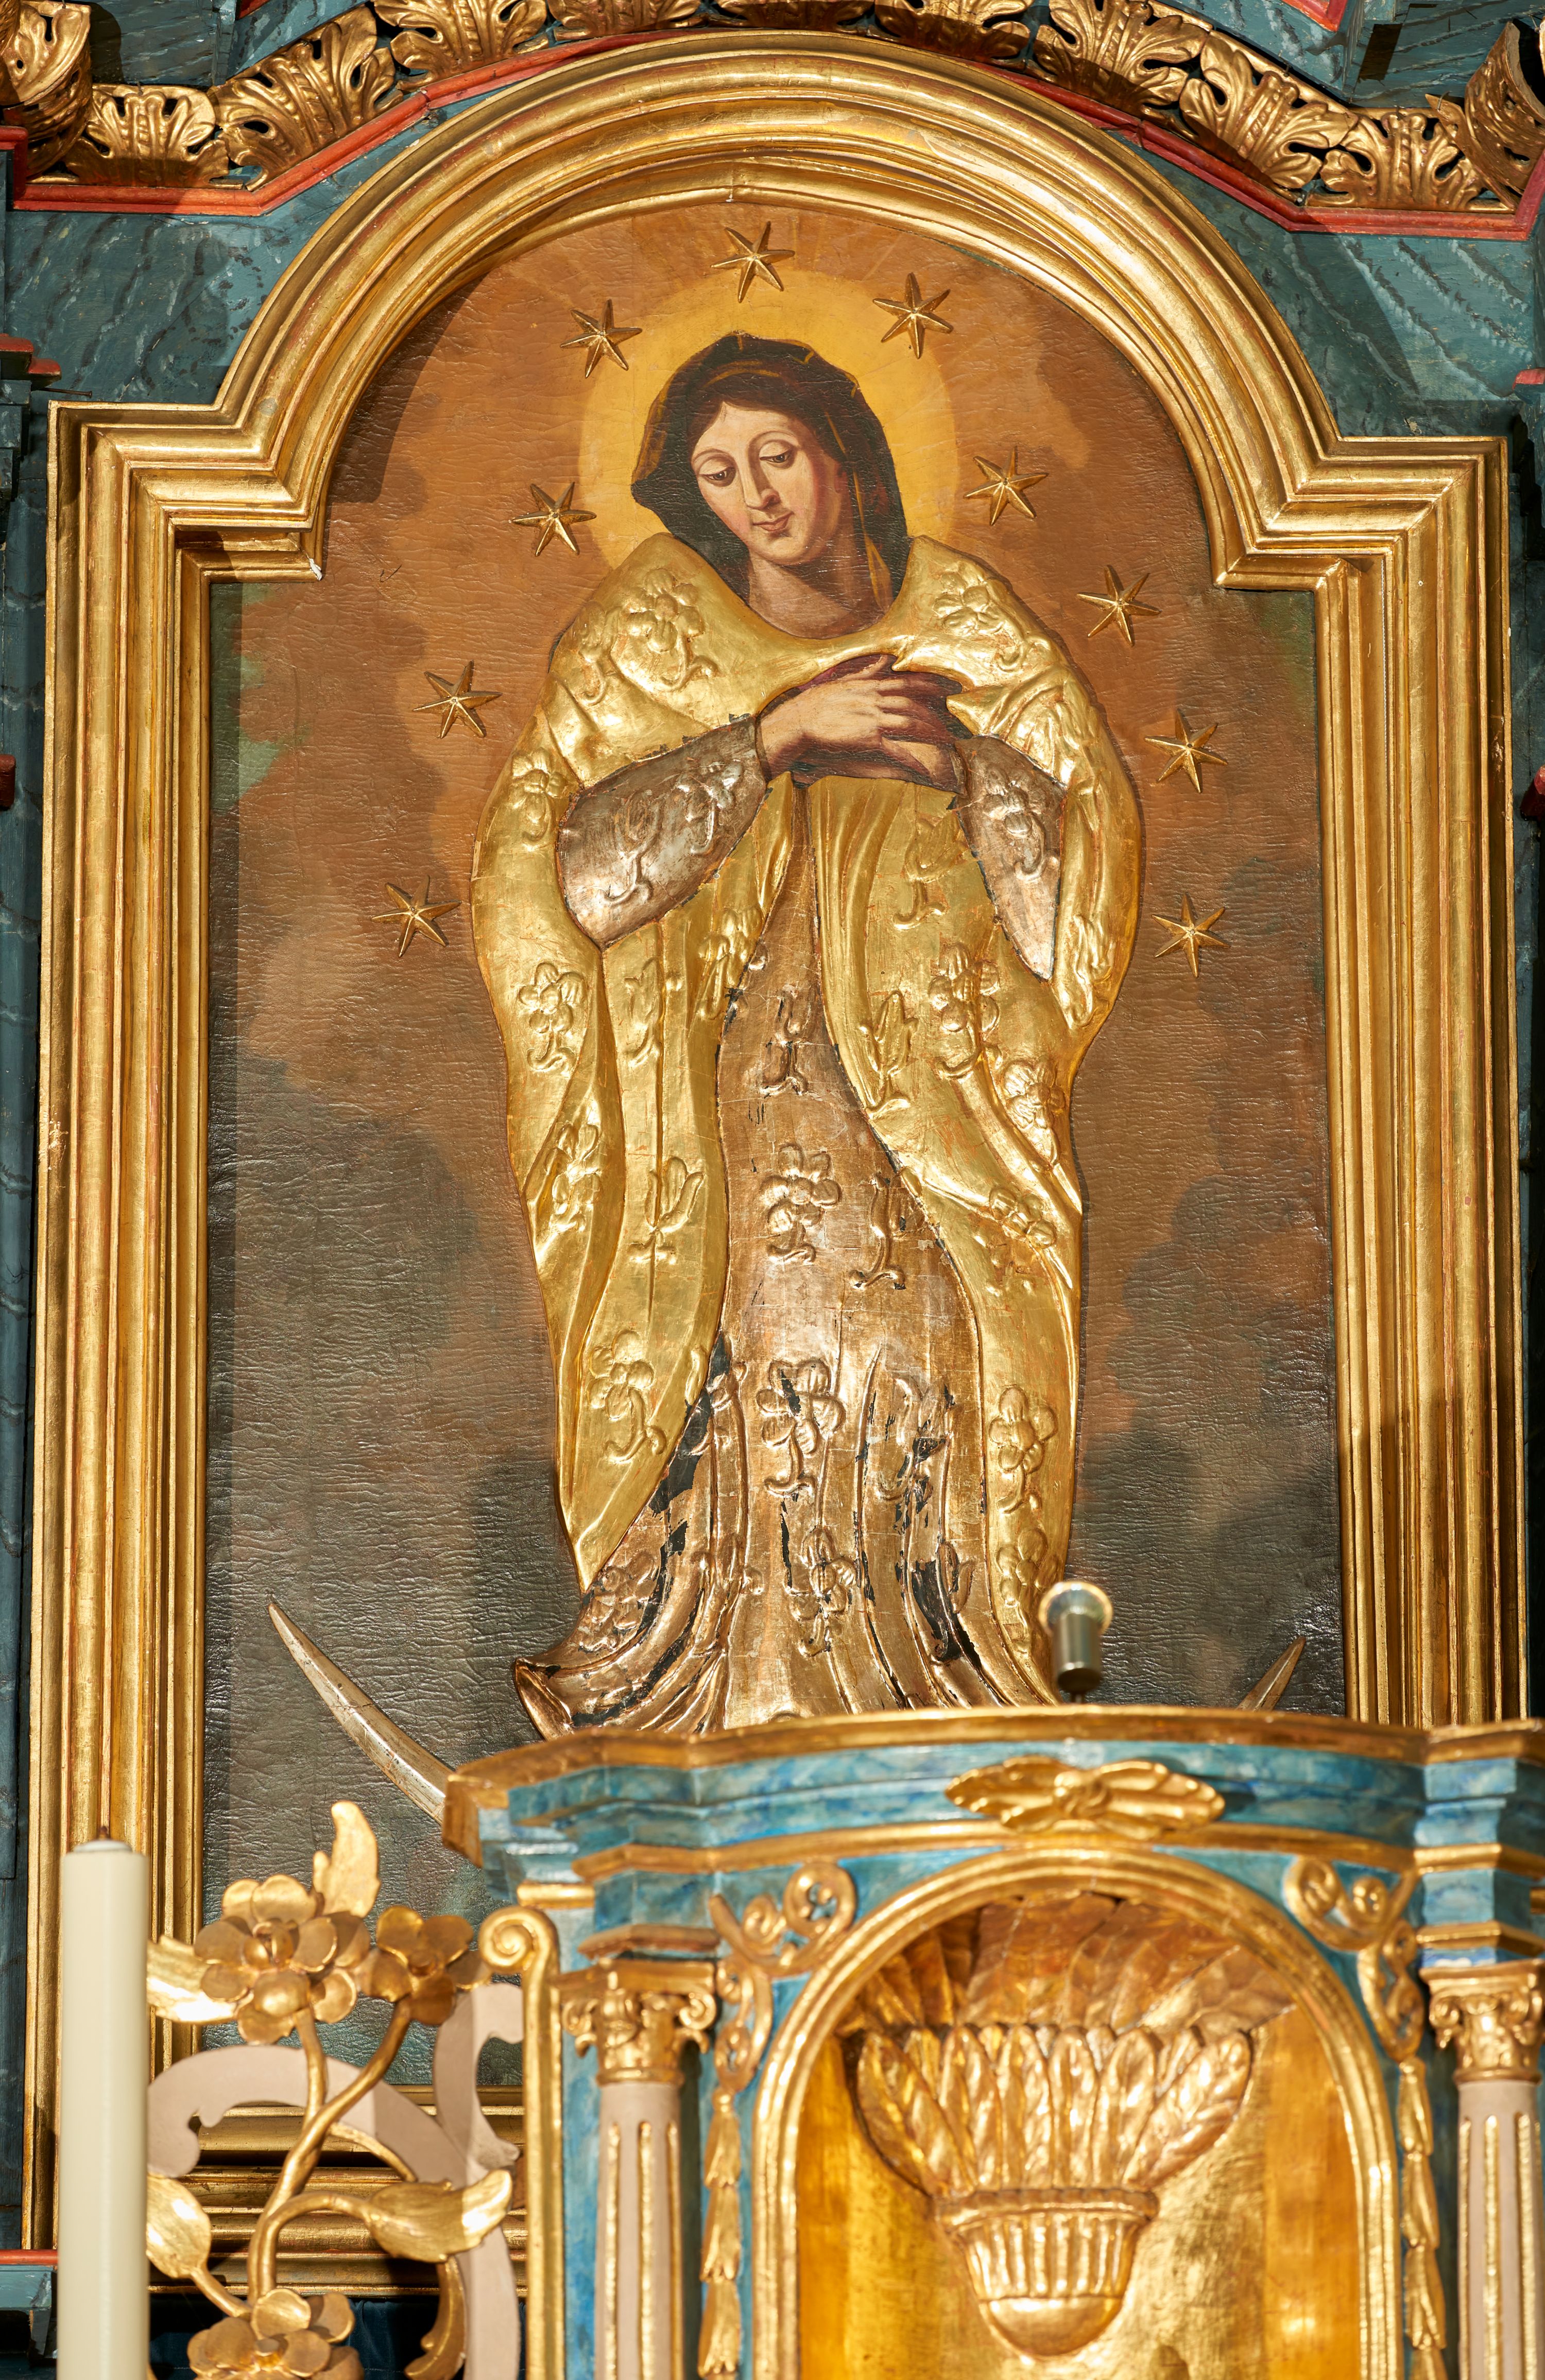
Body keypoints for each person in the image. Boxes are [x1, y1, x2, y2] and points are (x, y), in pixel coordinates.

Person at [472, 333, 1140, 1733]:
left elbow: (1068, 913)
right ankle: (737, 1695)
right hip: (745, 1108)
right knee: (774, 1361)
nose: (757, 497)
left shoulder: (970, 628)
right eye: (720, 473)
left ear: (847, 456)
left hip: (941, 1114)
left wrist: (962, 766)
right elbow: (577, 880)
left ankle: (936, 1680)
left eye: (777, 456)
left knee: (919, 1363)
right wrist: (774, 737)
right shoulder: (650, 632)